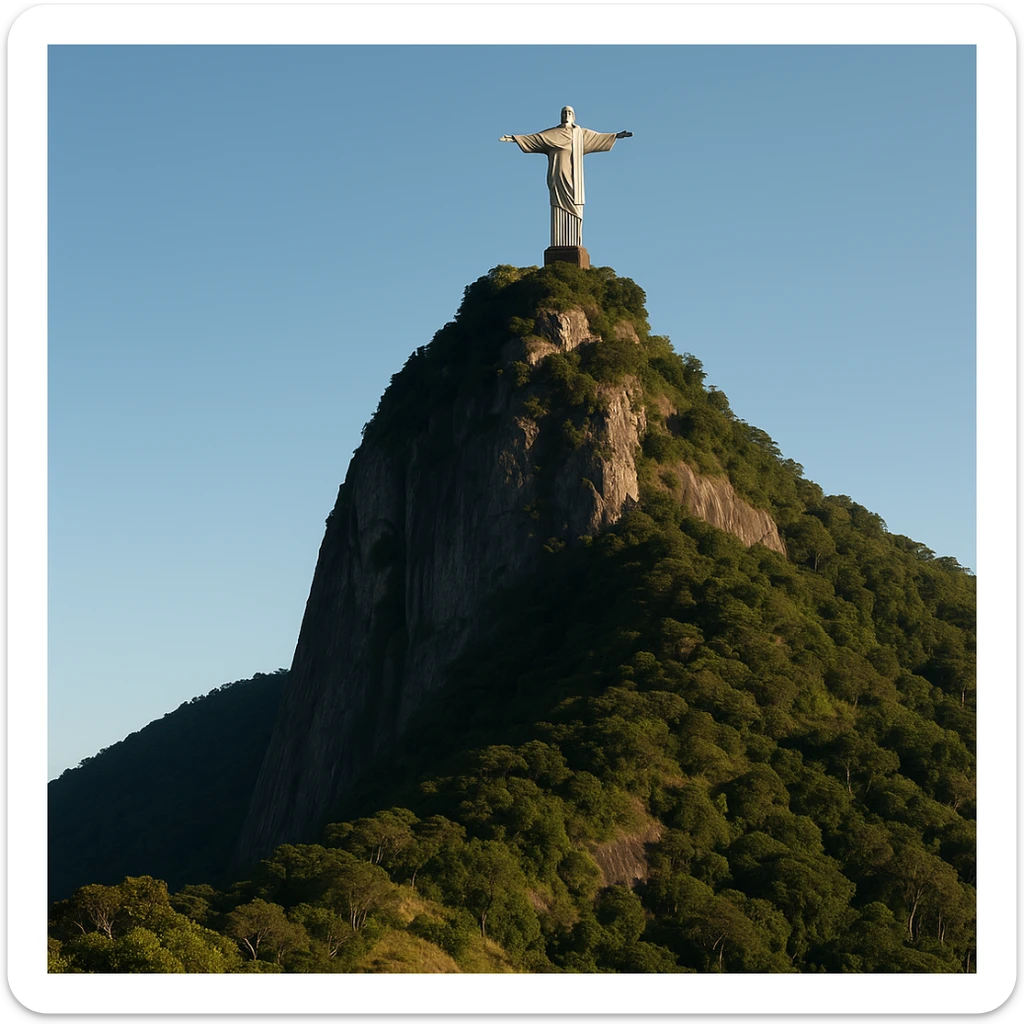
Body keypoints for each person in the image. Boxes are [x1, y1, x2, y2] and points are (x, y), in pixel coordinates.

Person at [500, 106, 632, 247]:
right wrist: (514, 138)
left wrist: (616, 136)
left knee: (575, 206)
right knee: (557, 206)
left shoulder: (580, 134)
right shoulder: (552, 133)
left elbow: (598, 137)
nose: (566, 115)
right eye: (564, 112)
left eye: (569, 112)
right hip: (557, 176)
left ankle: (575, 242)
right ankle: (558, 243)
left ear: (573, 116)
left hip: (574, 180)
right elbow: (535, 138)